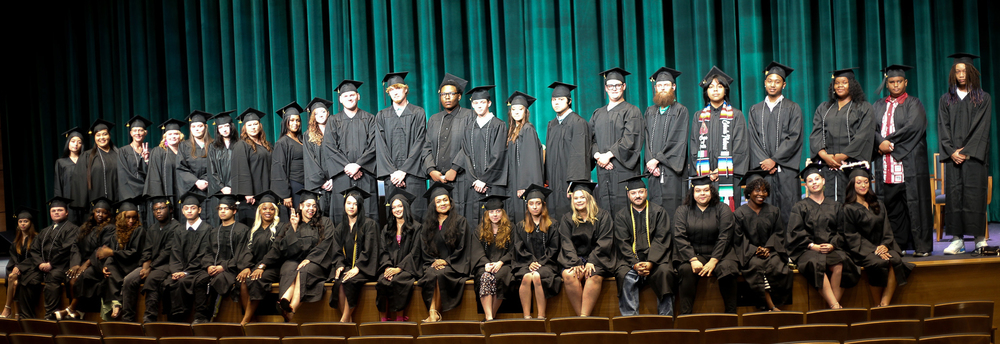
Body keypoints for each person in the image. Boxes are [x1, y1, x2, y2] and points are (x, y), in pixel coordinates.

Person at [871, 65, 933, 257]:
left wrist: (887, 144)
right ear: (887, 83)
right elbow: (870, 128)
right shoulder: (878, 105)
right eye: (892, 82)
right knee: (892, 208)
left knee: (915, 205)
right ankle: (898, 245)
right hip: (887, 167)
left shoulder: (914, 103)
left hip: (910, 164)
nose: (895, 85)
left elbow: (913, 128)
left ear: (905, 82)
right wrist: (879, 143)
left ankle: (921, 247)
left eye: (899, 81)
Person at [938, 53, 993, 254]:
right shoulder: (946, 99)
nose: (961, 75)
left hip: (975, 159)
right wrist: (952, 151)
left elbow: (982, 128)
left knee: (975, 196)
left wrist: (966, 151)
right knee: (955, 197)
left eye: (965, 71)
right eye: (958, 71)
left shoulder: (983, 98)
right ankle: (957, 240)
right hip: (954, 160)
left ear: (972, 73)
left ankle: (979, 239)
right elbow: (942, 128)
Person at [786, 163, 860, 309]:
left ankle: (832, 308)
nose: (814, 183)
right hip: (808, 250)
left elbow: (842, 230)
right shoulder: (800, 207)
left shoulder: (836, 205)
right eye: (810, 181)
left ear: (823, 180)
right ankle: (835, 307)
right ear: (806, 185)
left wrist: (833, 244)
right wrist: (813, 246)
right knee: (815, 264)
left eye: (817, 179)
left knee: (841, 263)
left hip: (831, 248)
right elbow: (795, 232)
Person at [841, 166, 914, 307]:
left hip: (882, 246)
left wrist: (885, 245)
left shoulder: (877, 204)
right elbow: (851, 235)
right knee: (878, 263)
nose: (863, 185)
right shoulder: (848, 208)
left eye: (866, 182)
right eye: (859, 182)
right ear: (852, 185)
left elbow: (887, 228)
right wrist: (874, 250)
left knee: (896, 259)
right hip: (862, 250)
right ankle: (876, 305)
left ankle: (884, 303)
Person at [262, 188, 335, 322]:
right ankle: (284, 299)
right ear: (300, 206)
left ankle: (291, 309)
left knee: (303, 270)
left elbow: (327, 244)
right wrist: (294, 227)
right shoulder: (292, 223)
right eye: (307, 205)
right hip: (295, 259)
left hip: (316, 263)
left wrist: (310, 259)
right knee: (289, 268)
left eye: (314, 206)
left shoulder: (325, 222)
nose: (311, 209)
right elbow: (285, 249)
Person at [746, 62, 804, 224]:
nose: (773, 84)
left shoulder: (793, 108)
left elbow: (794, 137)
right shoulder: (755, 109)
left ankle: (790, 246)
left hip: (786, 169)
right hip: (763, 169)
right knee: (764, 209)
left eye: (777, 81)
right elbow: (753, 139)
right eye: (769, 81)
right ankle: (767, 247)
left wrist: (775, 160)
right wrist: (765, 163)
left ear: (784, 84)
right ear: (764, 83)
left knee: (789, 207)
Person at [673, 175, 739, 314]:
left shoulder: (723, 209)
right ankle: (686, 316)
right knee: (686, 270)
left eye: (706, 190)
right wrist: (692, 259)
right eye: (698, 190)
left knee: (728, 269)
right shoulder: (683, 210)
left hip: (722, 254)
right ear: (692, 193)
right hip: (695, 254)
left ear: (712, 192)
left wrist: (714, 261)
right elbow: (680, 236)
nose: (702, 194)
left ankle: (731, 314)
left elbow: (725, 236)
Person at [613, 175, 675, 316]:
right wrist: (635, 264)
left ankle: (665, 320)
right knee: (625, 275)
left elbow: (662, 239)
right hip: (630, 260)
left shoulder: (659, 212)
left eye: (641, 192)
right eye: (634, 193)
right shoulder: (622, 216)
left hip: (656, 260)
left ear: (646, 192)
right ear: (628, 195)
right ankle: (631, 320)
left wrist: (651, 262)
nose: (638, 196)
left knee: (665, 273)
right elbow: (622, 242)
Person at [809, 68, 874, 202]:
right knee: (829, 203)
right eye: (837, 83)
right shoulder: (824, 108)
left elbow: (863, 136)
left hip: (852, 165)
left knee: (852, 203)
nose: (840, 86)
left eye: (844, 82)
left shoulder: (864, 107)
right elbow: (816, 133)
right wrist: (824, 156)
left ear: (852, 85)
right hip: (828, 166)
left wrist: (842, 156)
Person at [733, 170, 792, 311]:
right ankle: (770, 306)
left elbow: (778, 233)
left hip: (771, 251)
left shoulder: (773, 211)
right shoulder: (739, 213)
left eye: (764, 191)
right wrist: (755, 250)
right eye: (757, 190)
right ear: (748, 192)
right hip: (750, 254)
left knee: (779, 266)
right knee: (756, 267)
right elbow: (739, 237)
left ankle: (779, 304)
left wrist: (768, 248)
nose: (761, 194)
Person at [690, 66, 748, 208]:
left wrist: (719, 171)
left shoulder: (736, 115)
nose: (715, 90)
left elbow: (741, 146)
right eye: (711, 87)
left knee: (728, 215)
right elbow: (694, 146)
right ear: (706, 91)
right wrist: (707, 172)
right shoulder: (699, 116)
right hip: (704, 176)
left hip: (728, 174)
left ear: (725, 90)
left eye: (719, 86)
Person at [416, 182, 472, 323]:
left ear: (450, 202)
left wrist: (447, 261)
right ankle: (433, 313)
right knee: (430, 273)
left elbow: (463, 247)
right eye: (438, 201)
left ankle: (434, 313)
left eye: (445, 200)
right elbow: (424, 247)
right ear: (433, 205)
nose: (443, 203)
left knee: (440, 273)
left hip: (454, 265)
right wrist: (434, 262)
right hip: (433, 263)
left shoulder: (460, 222)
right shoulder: (428, 225)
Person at [591, 68, 644, 215]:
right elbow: (590, 139)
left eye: (618, 85)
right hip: (603, 171)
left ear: (624, 86)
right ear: (606, 88)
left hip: (623, 170)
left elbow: (630, 138)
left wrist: (608, 155)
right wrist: (597, 156)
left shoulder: (632, 111)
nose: (614, 89)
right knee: (605, 212)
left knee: (625, 213)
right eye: (611, 86)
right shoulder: (598, 113)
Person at [376, 72, 430, 217]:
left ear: (405, 89)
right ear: (388, 93)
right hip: (391, 176)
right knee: (393, 219)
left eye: (398, 88)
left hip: (413, 174)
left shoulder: (418, 112)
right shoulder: (381, 115)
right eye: (391, 89)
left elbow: (420, 142)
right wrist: (394, 172)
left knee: (416, 215)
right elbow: (381, 146)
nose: (395, 92)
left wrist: (404, 171)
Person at [324, 80, 378, 222]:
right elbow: (329, 147)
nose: (349, 98)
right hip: (342, 175)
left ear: (358, 96)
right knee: (342, 216)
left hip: (365, 174)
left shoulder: (370, 119)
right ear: (340, 99)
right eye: (345, 96)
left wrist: (358, 165)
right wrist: (348, 167)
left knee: (368, 214)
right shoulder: (333, 121)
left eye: (352, 95)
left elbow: (374, 146)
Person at [558, 180, 614, 317]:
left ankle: (584, 317)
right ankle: (583, 318)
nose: (579, 201)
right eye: (576, 198)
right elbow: (566, 242)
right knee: (569, 275)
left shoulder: (603, 216)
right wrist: (575, 262)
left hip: (598, 259)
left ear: (589, 198)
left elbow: (604, 241)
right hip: (575, 259)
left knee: (593, 275)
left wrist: (592, 261)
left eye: (582, 197)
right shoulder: (567, 219)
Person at [454, 85, 508, 225]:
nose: (479, 106)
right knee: (475, 223)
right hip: (474, 185)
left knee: (494, 222)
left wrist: (484, 180)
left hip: (493, 184)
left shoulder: (499, 125)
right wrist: (475, 180)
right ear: (472, 105)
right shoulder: (469, 128)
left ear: (489, 103)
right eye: (476, 103)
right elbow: (466, 155)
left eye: (482, 102)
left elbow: (499, 155)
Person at [20, 196, 79, 320]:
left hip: (61, 266)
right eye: (53, 210)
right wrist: (40, 264)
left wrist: (51, 264)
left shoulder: (73, 229)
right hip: (43, 266)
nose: (56, 212)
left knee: (53, 278)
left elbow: (66, 249)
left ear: (67, 212)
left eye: (60, 210)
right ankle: (27, 317)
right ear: (50, 213)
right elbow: (34, 249)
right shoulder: (45, 231)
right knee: (27, 279)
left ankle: (50, 316)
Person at [55, 197, 114, 320]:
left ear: (108, 214)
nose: (100, 215)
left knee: (80, 278)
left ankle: (71, 309)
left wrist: (85, 265)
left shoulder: (109, 228)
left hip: (98, 263)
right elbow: (75, 245)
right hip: (82, 262)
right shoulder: (85, 227)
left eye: (104, 212)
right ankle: (76, 311)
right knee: (71, 279)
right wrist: (76, 265)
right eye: (97, 211)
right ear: (93, 212)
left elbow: (101, 250)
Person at [643, 67, 689, 217]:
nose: (662, 88)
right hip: (653, 172)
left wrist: (657, 160)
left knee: (673, 210)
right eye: (659, 85)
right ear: (655, 88)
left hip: (672, 171)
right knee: (655, 212)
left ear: (673, 87)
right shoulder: (650, 111)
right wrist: (650, 162)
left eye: (666, 85)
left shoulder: (681, 110)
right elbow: (646, 138)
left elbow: (678, 140)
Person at [329, 187, 379, 323]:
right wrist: (339, 265)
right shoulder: (340, 227)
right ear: (344, 205)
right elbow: (337, 249)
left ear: (360, 206)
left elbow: (370, 249)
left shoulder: (369, 224)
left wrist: (358, 267)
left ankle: (344, 321)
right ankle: (348, 321)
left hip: (365, 267)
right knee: (338, 282)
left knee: (349, 281)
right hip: (347, 267)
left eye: (355, 204)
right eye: (349, 203)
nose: (351, 207)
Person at [512, 184, 562, 319]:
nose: (534, 207)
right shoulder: (520, 226)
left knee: (537, 276)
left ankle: (541, 317)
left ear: (543, 205)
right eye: (531, 203)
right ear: (527, 206)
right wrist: (530, 262)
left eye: (538, 203)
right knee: (527, 276)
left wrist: (539, 263)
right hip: (526, 264)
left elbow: (554, 248)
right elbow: (519, 247)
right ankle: (527, 317)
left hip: (547, 264)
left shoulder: (553, 224)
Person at [237, 189, 286, 325]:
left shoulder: (281, 227)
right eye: (264, 208)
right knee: (242, 280)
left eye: (271, 209)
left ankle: (245, 321)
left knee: (255, 279)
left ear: (275, 211)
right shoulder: (254, 229)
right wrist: (246, 267)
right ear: (259, 210)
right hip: (256, 266)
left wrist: (262, 266)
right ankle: (252, 319)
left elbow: (276, 250)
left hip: (273, 266)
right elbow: (247, 250)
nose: (268, 211)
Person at [200, 193, 251, 323]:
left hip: (232, 269)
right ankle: (197, 317)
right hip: (214, 268)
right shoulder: (214, 231)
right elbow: (207, 252)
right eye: (220, 209)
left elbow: (243, 254)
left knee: (219, 279)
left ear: (234, 211)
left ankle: (211, 316)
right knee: (199, 280)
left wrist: (224, 266)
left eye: (226, 208)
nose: (222, 211)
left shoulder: (242, 230)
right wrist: (209, 266)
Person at [545, 82, 592, 221]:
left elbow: (581, 155)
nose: (556, 103)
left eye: (560, 99)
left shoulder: (578, 122)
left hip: (568, 182)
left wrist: (574, 184)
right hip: (553, 181)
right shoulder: (551, 124)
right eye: (554, 100)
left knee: (571, 216)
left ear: (569, 101)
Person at [129, 196, 180, 323]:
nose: (158, 211)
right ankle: (128, 318)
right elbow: (147, 250)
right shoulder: (152, 228)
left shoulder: (177, 228)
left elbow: (167, 252)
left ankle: (149, 318)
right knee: (129, 280)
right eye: (155, 209)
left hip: (168, 264)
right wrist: (145, 267)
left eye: (162, 208)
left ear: (170, 209)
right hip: (151, 265)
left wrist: (149, 269)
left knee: (152, 279)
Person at [162, 192, 211, 323]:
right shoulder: (179, 230)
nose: (189, 211)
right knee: (167, 282)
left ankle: (189, 318)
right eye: (186, 208)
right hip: (181, 271)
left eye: (193, 208)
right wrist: (176, 271)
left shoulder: (207, 229)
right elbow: (175, 253)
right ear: (182, 211)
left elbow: (204, 254)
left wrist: (185, 272)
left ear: (199, 210)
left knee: (185, 281)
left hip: (198, 270)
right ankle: (173, 320)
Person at [422, 74, 473, 201]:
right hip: (437, 178)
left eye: (451, 93)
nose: (447, 97)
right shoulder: (434, 119)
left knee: (461, 214)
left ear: (459, 96)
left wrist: (455, 168)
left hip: (461, 177)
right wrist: (431, 170)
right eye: (444, 94)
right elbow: (426, 146)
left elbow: (469, 145)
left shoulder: (470, 116)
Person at [376, 189, 422, 322]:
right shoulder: (387, 229)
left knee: (399, 280)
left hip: (408, 268)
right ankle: (384, 319)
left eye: (400, 206)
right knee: (382, 281)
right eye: (394, 207)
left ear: (405, 207)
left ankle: (400, 318)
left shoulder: (416, 227)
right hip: (390, 267)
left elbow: (416, 251)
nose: (397, 209)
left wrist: (399, 269)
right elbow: (382, 250)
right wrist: (387, 267)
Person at [98, 196, 146, 320]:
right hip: (121, 264)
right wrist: (105, 266)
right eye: (128, 217)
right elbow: (111, 255)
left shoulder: (139, 231)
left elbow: (134, 253)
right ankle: (116, 303)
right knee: (108, 268)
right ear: (121, 217)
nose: (131, 220)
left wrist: (112, 253)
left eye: (134, 217)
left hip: (133, 264)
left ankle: (117, 302)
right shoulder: (116, 232)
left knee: (113, 264)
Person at [472, 195, 514, 321]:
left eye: (498, 211)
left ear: (503, 212)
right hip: (485, 265)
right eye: (491, 212)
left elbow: (514, 250)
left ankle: (490, 318)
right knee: (485, 276)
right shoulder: (480, 229)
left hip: (505, 265)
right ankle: (490, 318)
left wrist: (501, 262)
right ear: (487, 214)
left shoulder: (511, 228)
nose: (495, 214)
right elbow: (476, 250)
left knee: (498, 277)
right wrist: (485, 263)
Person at [505, 91, 543, 223]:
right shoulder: (513, 131)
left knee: (525, 218)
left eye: (520, 109)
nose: (516, 112)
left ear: (525, 111)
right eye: (513, 109)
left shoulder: (527, 129)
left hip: (523, 184)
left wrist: (524, 185)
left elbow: (530, 160)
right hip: (515, 181)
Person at [232, 108, 272, 226]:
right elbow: (241, 169)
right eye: (249, 125)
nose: (253, 127)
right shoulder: (241, 145)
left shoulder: (266, 145)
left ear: (260, 126)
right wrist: (247, 192)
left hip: (266, 190)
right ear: (244, 128)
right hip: (252, 195)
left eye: (255, 124)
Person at [177, 111, 214, 224]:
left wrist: (207, 180)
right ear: (190, 128)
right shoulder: (184, 146)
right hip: (192, 189)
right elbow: (180, 167)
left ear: (205, 127)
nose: (197, 129)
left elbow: (218, 167)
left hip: (210, 188)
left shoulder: (214, 145)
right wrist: (196, 181)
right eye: (193, 126)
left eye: (200, 126)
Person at [272, 102, 307, 220]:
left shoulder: (302, 140)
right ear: (285, 122)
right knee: (296, 217)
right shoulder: (282, 142)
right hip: (294, 185)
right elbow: (278, 169)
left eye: (297, 120)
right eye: (291, 120)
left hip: (305, 184)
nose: (295, 123)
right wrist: (285, 195)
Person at [145, 119, 186, 220]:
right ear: (165, 137)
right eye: (170, 134)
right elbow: (154, 176)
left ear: (180, 136)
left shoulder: (185, 152)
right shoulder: (158, 151)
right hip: (166, 195)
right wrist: (159, 198)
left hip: (182, 194)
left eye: (176, 133)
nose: (173, 136)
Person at [3, 207, 39, 319]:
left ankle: (8, 308)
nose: (23, 224)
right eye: (20, 221)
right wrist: (15, 267)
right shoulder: (16, 240)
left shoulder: (36, 238)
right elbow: (13, 257)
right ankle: (16, 313)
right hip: (18, 269)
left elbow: (35, 257)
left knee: (14, 280)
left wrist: (20, 267)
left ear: (30, 223)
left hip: (32, 269)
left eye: (25, 221)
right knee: (12, 278)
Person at [302, 98, 335, 217]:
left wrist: (334, 179)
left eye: (322, 112)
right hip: (318, 186)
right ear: (312, 117)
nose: (320, 115)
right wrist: (322, 181)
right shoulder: (308, 136)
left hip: (335, 183)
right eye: (316, 113)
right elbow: (309, 160)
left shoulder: (337, 132)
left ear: (328, 113)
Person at [207, 110, 238, 227]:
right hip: (218, 192)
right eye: (221, 127)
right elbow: (211, 170)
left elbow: (241, 168)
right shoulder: (213, 147)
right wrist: (222, 187)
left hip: (235, 189)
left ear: (231, 126)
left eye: (226, 126)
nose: (224, 129)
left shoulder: (239, 144)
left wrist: (230, 186)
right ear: (217, 130)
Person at [54, 127, 89, 225]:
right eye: (73, 141)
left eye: (79, 142)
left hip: (84, 202)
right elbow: (58, 186)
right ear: (68, 143)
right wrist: (60, 205)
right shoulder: (61, 163)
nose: (76, 144)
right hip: (68, 202)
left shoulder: (87, 161)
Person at [118, 116, 152, 214]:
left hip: (147, 195)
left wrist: (146, 160)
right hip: (130, 195)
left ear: (145, 133)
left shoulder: (151, 151)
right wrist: (142, 187)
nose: (137, 133)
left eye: (141, 130)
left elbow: (153, 173)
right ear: (131, 133)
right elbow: (123, 174)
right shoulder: (123, 151)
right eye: (135, 130)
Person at [84, 119, 119, 202]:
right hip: (96, 204)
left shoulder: (119, 154)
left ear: (109, 136)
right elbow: (81, 183)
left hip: (117, 202)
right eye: (98, 135)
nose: (102, 138)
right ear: (94, 137)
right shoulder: (87, 156)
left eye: (105, 134)